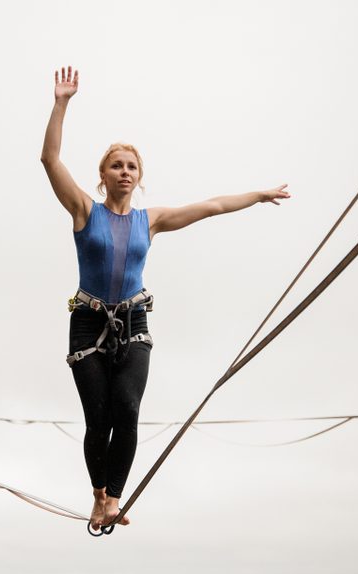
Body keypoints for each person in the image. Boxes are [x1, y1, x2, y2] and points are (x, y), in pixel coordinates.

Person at [40, 66, 290, 532]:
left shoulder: (148, 222)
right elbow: (50, 160)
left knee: (128, 410)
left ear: (139, 177)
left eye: (132, 167)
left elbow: (210, 207)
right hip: (89, 322)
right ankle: (98, 495)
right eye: (116, 165)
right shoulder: (83, 210)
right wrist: (61, 103)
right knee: (99, 419)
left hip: (133, 320)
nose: (125, 172)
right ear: (103, 176)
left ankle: (113, 500)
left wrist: (257, 195)